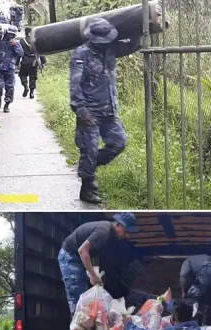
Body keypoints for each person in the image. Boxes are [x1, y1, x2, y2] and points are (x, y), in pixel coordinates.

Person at [70, 18, 142, 204]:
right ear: (93, 38)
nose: (104, 44)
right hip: (90, 114)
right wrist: (81, 110)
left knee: (119, 143)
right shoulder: (81, 53)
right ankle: (87, 187)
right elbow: (75, 85)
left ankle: (88, 167)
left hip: (109, 112)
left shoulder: (112, 48)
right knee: (90, 150)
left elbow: (134, 45)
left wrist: (137, 26)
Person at [58, 213, 139, 330]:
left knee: (87, 296)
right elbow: (82, 250)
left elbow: (94, 254)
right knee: (76, 293)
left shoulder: (110, 236)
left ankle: (87, 329)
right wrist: (92, 275)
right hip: (71, 256)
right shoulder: (104, 231)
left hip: (80, 258)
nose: (127, 235)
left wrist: (96, 274)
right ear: (118, 225)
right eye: (126, 231)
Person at [180, 254, 211, 326]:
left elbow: (183, 276)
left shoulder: (187, 261)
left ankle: (192, 325)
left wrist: (183, 292)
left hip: (208, 272)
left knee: (191, 298)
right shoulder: (205, 258)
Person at [0, 24, 23, 113]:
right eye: (9, 34)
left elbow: (21, 53)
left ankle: (7, 105)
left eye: (13, 35)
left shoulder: (16, 43)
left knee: (10, 87)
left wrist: (15, 45)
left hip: (10, 68)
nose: (11, 36)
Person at [18, 27, 46, 99]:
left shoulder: (22, 41)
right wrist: (43, 62)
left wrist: (16, 62)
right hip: (34, 62)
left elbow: (19, 53)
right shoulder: (36, 41)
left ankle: (25, 86)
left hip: (24, 62)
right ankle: (31, 93)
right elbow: (40, 51)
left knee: (22, 75)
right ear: (30, 33)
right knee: (32, 77)